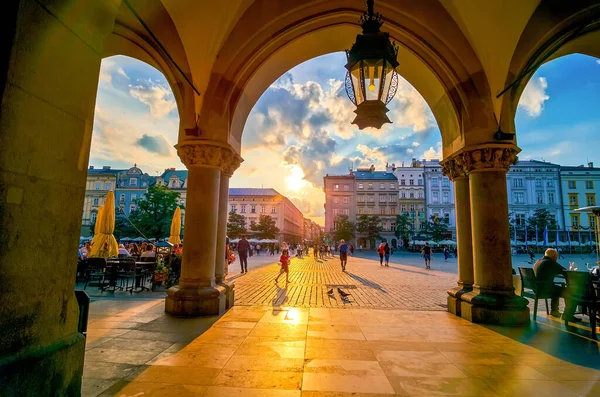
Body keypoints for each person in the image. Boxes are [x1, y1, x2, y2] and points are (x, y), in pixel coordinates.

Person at [533, 248, 579, 321]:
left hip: (537, 288)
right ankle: (568, 315)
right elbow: (564, 272)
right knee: (570, 292)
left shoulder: (539, 261)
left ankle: (554, 311)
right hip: (545, 289)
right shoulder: (550, 262)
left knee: (555, 288)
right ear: (554, 257)